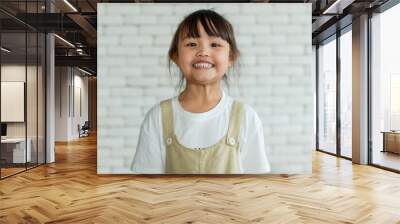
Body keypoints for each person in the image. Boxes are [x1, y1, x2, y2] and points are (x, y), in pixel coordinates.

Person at [131, 9, 271, 174]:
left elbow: (254, 184)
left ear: (231, 57)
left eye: (215, 44)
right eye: (191, 44)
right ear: (175, 56)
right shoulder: (157, 116)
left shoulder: (246, 116)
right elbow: (148, 186)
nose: (203, 52)